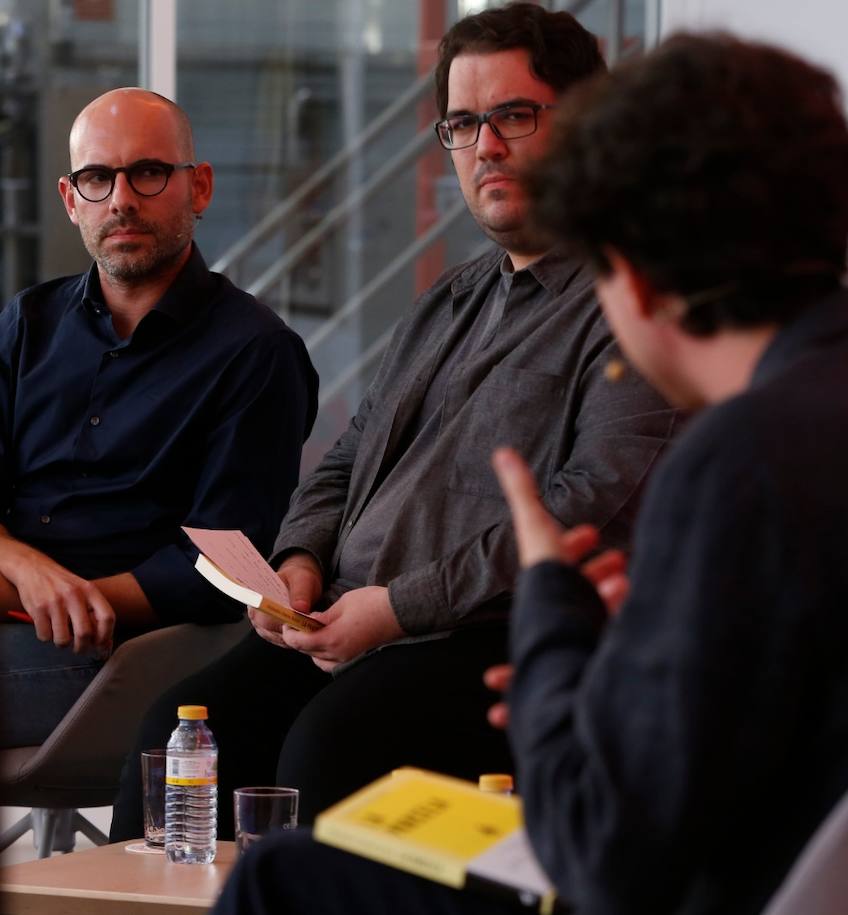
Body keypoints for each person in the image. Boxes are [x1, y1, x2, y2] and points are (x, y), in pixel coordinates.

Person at [211, 32, 848, 915]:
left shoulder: (743, 461)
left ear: (630, 270)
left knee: (281, 877)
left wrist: (555, 621)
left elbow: (607, 851)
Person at [109, 3, 675, 841]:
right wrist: (299, 561)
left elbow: (589, 511)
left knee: (330, 751)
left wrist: (399, 607)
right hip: (344, 624)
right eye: (463, 123)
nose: (486, 146)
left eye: (515, 116)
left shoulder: (633, 303)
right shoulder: (449, 299)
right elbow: (344, 460)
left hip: (494, 641)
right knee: (176, 737)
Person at [0, 89, 317, 753]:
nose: (120, 199)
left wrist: (65, 600)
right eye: (96, 178)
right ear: (69, 197)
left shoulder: (256, 351)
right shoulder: (26, 323)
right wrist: (27, 569)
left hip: (119, 652)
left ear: (198, 187)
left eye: (147, 172)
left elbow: (223, 558)